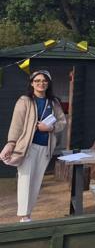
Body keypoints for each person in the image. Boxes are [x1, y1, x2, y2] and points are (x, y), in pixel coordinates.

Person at [0, 70, 66, 222]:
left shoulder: (54, 102)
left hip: (45, 147)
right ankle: (24, 215)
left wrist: (50, 128)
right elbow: (16, 124)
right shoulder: (25, 100)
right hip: (27, 147)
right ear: (32, 83)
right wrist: (11, 144)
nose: (41, 83)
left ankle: (28, 213)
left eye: (44, 81)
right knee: (25, 179)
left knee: (36, 181)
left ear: (48, 83)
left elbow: (62, 122)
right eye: (37, 81)